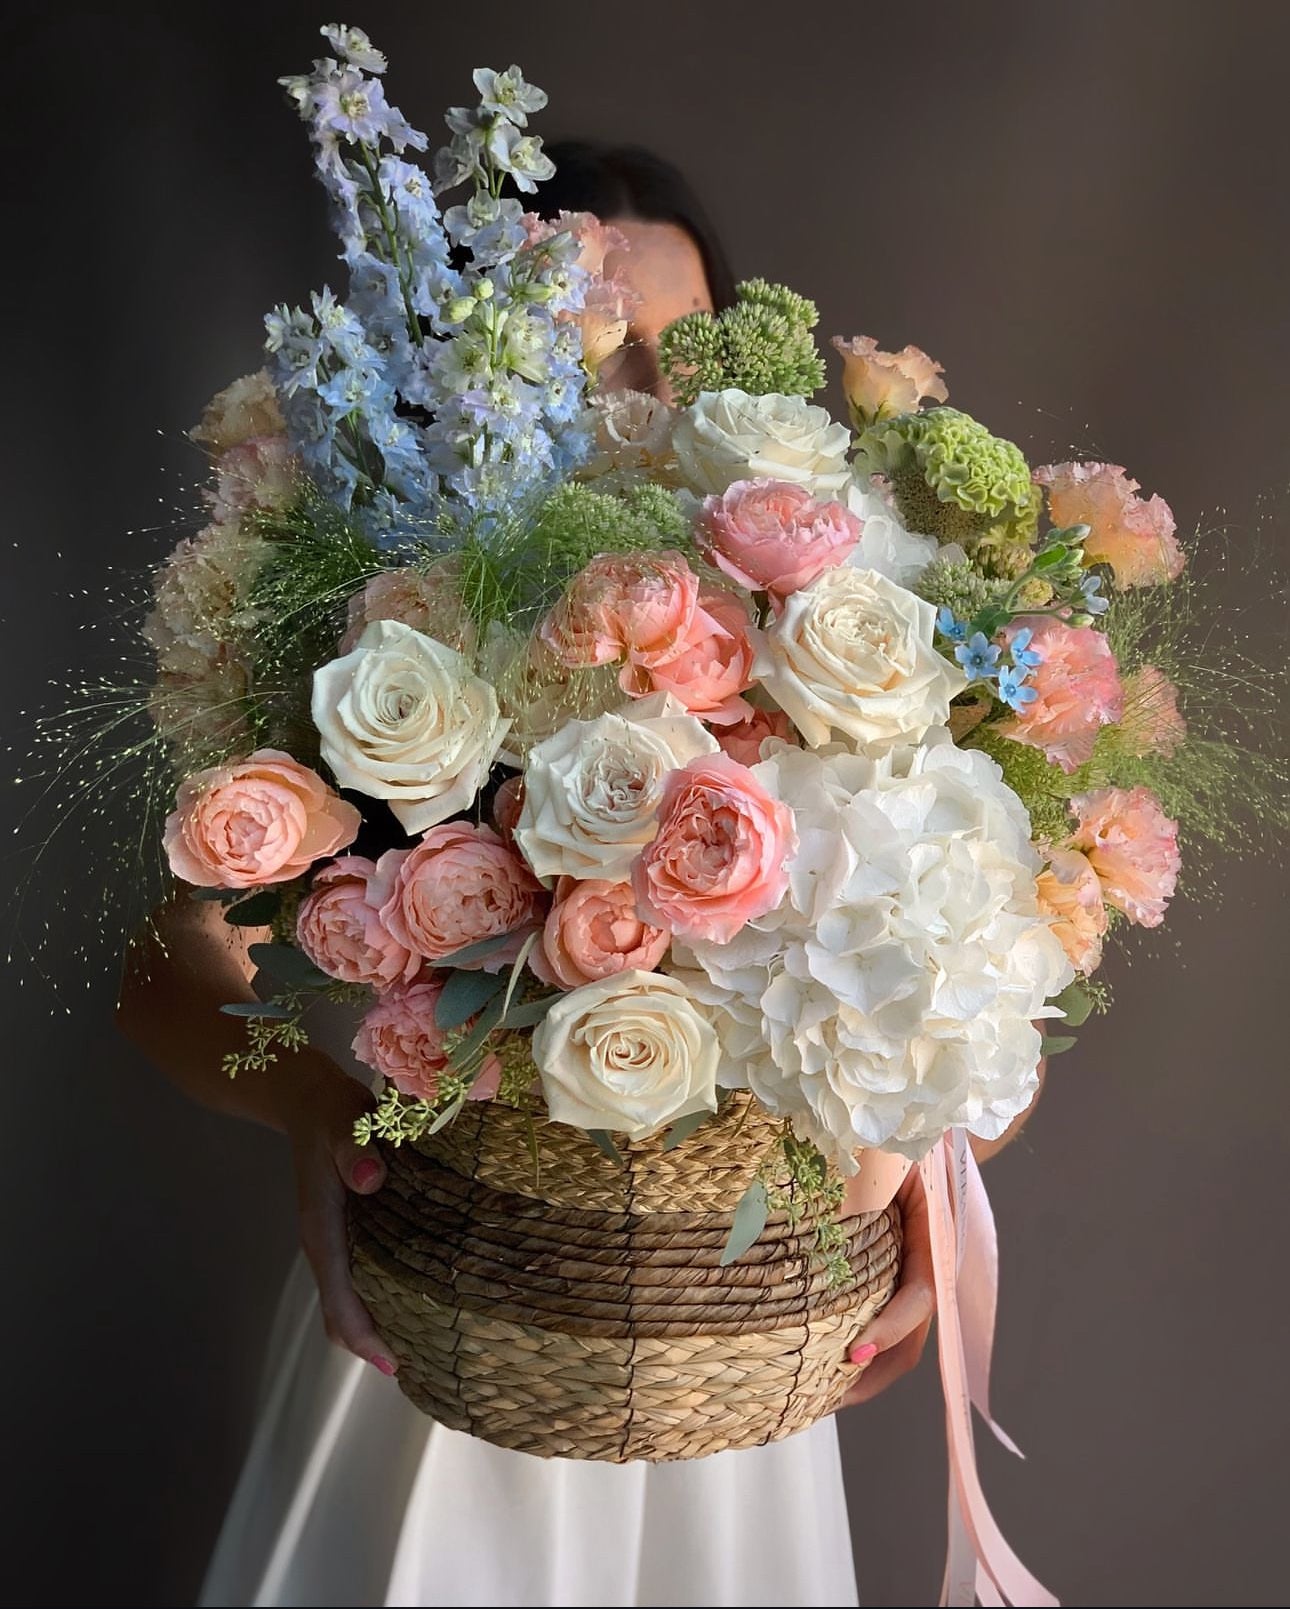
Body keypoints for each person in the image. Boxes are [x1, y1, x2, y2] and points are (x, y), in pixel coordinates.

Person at [118, 141, 1033, 1609]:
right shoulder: (398, 623)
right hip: (437, 1317)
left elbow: (987, 996)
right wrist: (314, 1112)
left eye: (668, 347)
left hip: (722, 1340)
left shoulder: (835, 634)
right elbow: (168, 965)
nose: (629, 386)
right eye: (573, 341)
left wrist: (926, 1151)